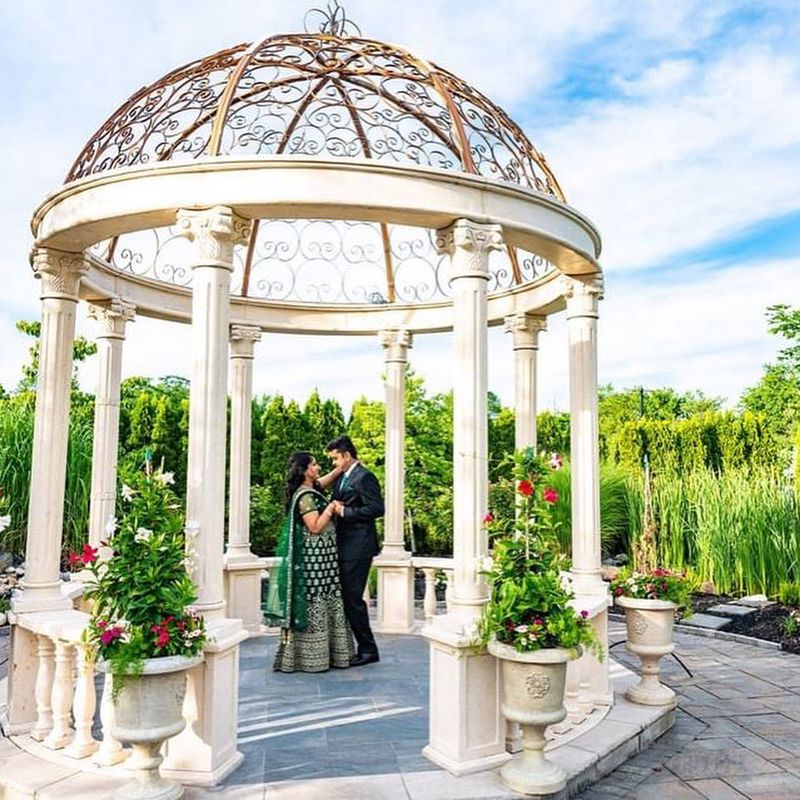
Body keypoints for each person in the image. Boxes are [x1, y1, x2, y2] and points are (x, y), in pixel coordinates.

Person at [264, 451, 354, 673]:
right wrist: (332, 507)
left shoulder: (310, 490)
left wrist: (342, 467)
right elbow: (314, 527)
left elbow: (325, 480)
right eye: (314, 465)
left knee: (325, 597)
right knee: (316, 600)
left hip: (323, 562)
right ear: (305, 470)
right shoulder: (305, 496)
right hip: (314, 562)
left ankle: (325, 653)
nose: (318, 468)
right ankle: (311, 657)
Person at [326, 435, 384, 666]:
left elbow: (377, 508)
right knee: (348, 598)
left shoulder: (365, 476)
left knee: (353, 599)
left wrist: (345, 513)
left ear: (347, 456)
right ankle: (357, 647)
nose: (334, 463)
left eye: (335, 459)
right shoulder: (343, 477)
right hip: (345, 546)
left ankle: (369, 650)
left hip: (359, 547)